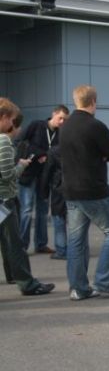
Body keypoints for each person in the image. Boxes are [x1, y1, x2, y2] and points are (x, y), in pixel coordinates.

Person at [61, 85, 109, 301]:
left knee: (76, 240)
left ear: (76, 101)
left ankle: (78, 288)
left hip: (71, 189)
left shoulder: (65, 126)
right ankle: (104, 282)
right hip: (93, 189)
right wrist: (104, 154)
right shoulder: (95, 126)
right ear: (93, 102)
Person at [0, 97, 54, 295]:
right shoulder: (3, 141)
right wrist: (21, 166)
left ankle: (13, 275)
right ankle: (28, 284)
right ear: (4, 117)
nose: (12, 124)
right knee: (15, 244)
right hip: (4, 199)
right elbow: (7, 175)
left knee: (6, 242)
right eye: (11, 119)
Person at [16, 104, 69, 254]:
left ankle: (41, 244)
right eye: (60, 118)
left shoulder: (60, 134)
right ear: (53, 114)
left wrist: (48, 157)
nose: (62, 122)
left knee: (43, 210)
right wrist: (41, 154)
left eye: (65, 120)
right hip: (28, 173)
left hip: (45, 176)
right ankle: (22, 246)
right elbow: (20, 141)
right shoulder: (37, 125)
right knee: (26, 210)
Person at [40, 145, 67, 260]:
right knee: (77, 221)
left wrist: (44, 193)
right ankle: (78, 249)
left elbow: (47, 173)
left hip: (58, 187)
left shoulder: (54, 151)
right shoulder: (80, 146)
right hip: (77, 186)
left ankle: (61, 250)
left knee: (58, 218)